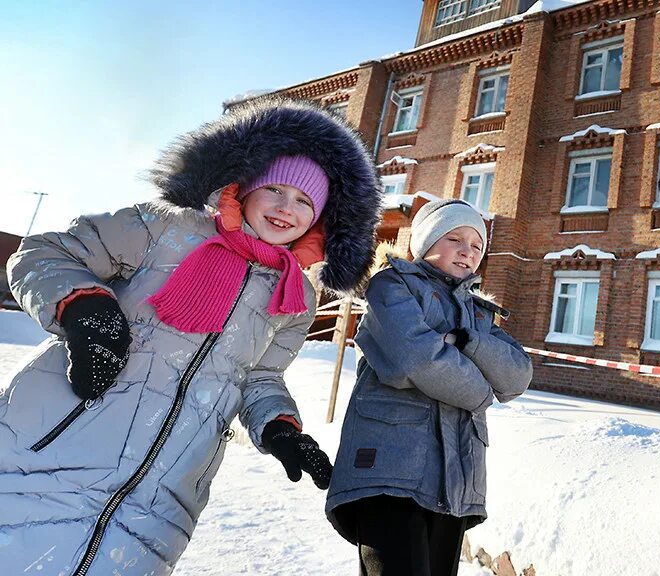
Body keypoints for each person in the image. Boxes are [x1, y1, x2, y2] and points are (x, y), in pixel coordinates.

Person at [0, 99, 380, 574]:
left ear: (321, 220)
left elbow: (260, 376)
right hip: (43, 455)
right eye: (276, 189)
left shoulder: (295, 294)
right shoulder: (167, 228)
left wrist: (280, 427)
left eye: (305, 201)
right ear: (243, 188)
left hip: (160, 502)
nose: (287, 207)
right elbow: (45, 252)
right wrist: (84, 308)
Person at [326, 199, 534, 576]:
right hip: (390, 474)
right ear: (426, 243)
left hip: (454, 485)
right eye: (454, 238)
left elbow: (517, 376)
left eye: (476, 245)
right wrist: (481, 392)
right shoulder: (393, 285)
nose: (467, 251)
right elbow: (418, 359)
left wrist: (470, 341)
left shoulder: (480, 314)